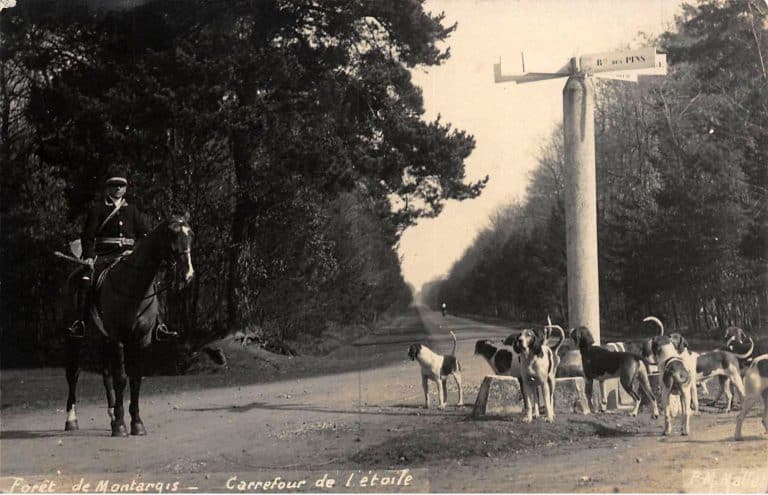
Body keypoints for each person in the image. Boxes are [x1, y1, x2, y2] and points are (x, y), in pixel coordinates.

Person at [67, 169, 177, 339]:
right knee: (87, 281)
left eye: (121, 185)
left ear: (126, 189)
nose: (118, 188)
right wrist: (88, 256)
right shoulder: (98, 209)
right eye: (114, 185)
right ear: (108, 188)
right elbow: (88, 236)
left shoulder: (132, 210)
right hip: (105, 257)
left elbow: (145, 236)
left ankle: (159, 324)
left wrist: (139, 252)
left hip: (128, 257)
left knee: (151, 282)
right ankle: (80, 322)